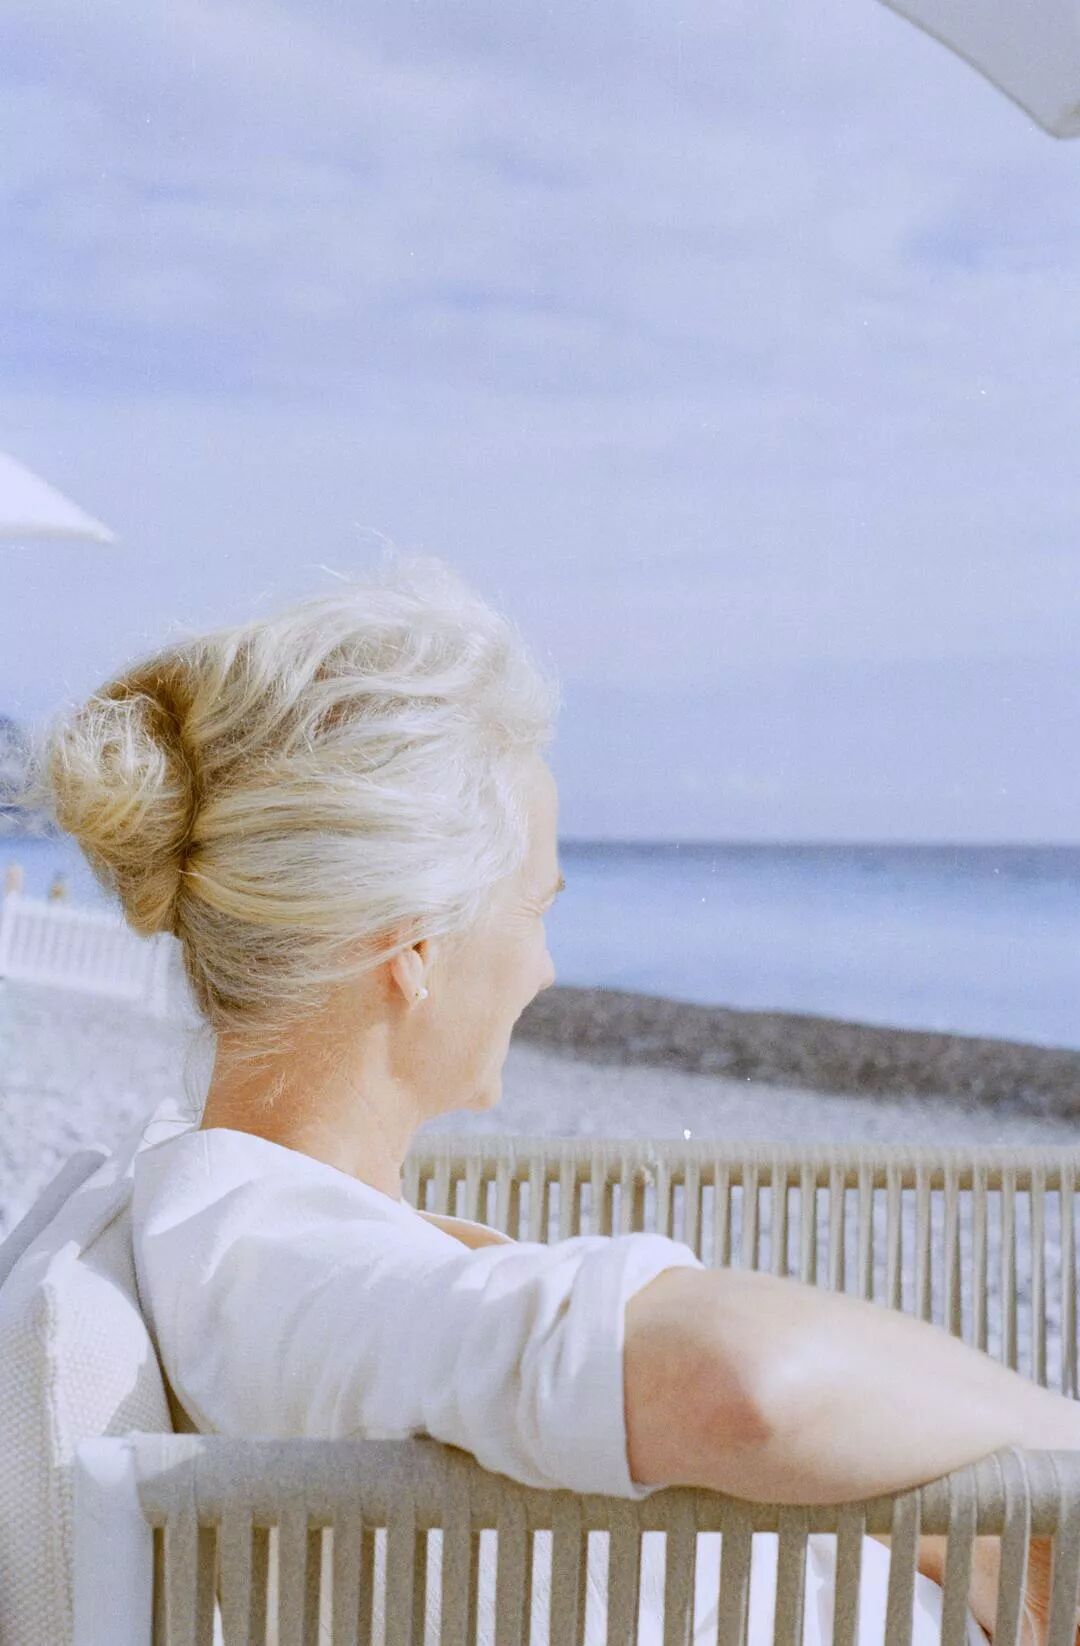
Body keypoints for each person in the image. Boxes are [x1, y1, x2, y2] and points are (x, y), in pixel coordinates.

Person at [28, 553, 1080, 1645]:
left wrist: (965, 1534)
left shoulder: (255, 1227)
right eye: (535, 910)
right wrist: (1055, 1452)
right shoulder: (280, 1261)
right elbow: (743, 1382)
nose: (547, 969)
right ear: (415, 946)